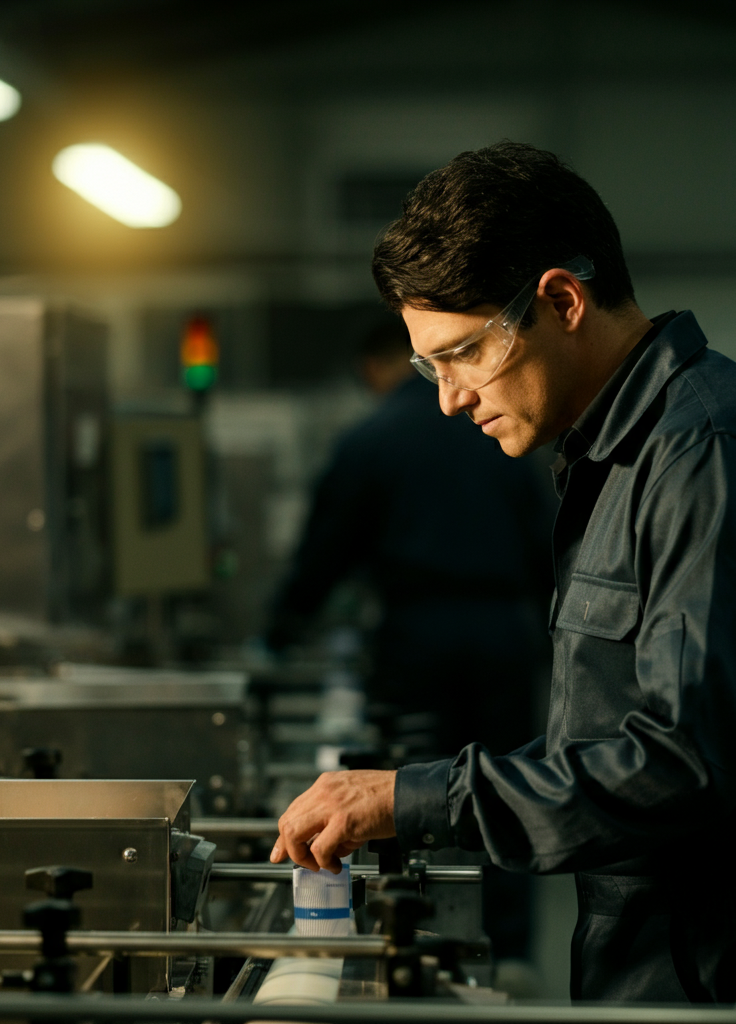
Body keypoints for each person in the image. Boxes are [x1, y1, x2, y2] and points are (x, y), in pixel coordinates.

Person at [269, 142, 736, 1006]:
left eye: (460, 354)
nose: (448, 397)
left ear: (562, 299)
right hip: (666, 949)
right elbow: (612, 743)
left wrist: (419, 797)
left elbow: (680, 763)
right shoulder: (615, 458)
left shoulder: (713, 457)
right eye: (428, 367)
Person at [266, 318, 556, 967]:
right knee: (509, 786)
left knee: (414, 792)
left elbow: (325, 551)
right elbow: (546, 541)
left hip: (417, 633)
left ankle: (424, 948)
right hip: (504, 632)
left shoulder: (370, 438)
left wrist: (278, 635)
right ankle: (503, 954)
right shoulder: (497, 428)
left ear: (375, 366)